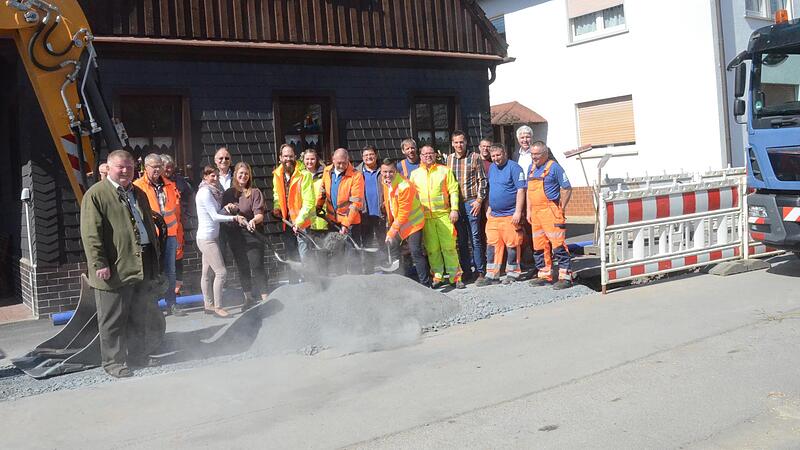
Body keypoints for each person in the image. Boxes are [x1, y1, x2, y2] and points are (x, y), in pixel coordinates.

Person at [80, 149, 161, 378]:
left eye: (129, 167)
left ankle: (138, 356)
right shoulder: (96, 195)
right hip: (114, 265)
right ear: (109, 167)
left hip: (141, 260)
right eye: (120, 167)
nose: (125, 171)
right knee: (112, 317)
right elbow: (90, 234)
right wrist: (99, 263)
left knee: (139, 313)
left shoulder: (138, 193)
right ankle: (113, 363)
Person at [133, 154, 185, 317]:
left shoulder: (170, 185)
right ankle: (154, 307)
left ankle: (172, 303)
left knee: (170, 271)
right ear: (146, 167)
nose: (157, 169)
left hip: (169, 234)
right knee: (152, 271)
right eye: (153, 166)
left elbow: (175, 212)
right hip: (150, 236)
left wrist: (177, 235)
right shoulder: (137, 186)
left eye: (159, 166)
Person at [409, 145, 464, 289]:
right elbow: (411, 196)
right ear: (420, 156)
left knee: (449, 247)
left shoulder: (444, 171)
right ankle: (437, 276)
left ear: (435, 155)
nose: (428, 156)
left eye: (430, 153)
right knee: (432, 249)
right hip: (425, 218)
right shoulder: (414, 174)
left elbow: (453, 190)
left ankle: (455, 277)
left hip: (443, 215)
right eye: (424, 153)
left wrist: (454, 209)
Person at [195, 165, 245, 318]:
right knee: (221, 272)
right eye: (212, 176)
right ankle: (218, 307)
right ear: (205, 177)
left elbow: (216, 213)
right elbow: (214, 217)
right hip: (207, 239)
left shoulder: (212, 192)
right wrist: (234, 217)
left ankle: (208, 305)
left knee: (207, 273)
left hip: (210, 236)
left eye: (216, 176)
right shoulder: (204, 193)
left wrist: (227, 209)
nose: (215, 179)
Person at [477, 143, 527, 286]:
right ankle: (492, 274)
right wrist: (489, 207)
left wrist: (518, 212)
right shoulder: (492, 168)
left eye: (498, 155)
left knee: (512, 244)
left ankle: (512, 273)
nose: (496, 158)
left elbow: (521, 190)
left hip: (510, 214)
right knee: (492, 245)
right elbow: (492, 189)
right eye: (493, 156)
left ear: (504, 153)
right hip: (494, 215)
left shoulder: (514, 168)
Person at [222, 162, 269, 309]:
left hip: (252, 233)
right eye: (240, 173)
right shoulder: (229, 193)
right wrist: (227, 208)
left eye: (246, 174)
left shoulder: (255, 192)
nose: (243, 176)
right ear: (235, 174)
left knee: (256, 265)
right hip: (235, 236)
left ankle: (266, 298)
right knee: (242, 267)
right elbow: (221, 214)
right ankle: (248, 299)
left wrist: (254, 220)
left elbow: (260, 214)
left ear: (249, 176)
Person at [527, 141, 574, 289]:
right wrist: (529, 210)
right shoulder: (531, 168)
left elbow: (567, 188)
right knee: (539, 245)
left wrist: (561, 208)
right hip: (536, 213)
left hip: (551, 211)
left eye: (537, 155)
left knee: (558, 245)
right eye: (532, 154)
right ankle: (544, 273)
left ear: (545, 154)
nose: (534, 158)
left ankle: (565, 277)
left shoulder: (554, 167)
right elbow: (529, 191)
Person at [446, 131, 487, 283]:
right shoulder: (449, 159)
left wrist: (479, 200)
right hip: (456, 205)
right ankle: (466, 272)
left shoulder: (474, 157)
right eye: (456, 142)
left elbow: (482, 180)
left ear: (466, 142)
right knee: (461, 240)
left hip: (471, 202)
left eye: (461, 142)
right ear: (452, 143)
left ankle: (480, 271)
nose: (459, 145)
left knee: (475, 238)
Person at [380, 159, 430, 287]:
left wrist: (391, 231)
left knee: (415, 251)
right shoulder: (386, 183)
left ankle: (425, 284)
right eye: (385, 172)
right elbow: (390, 202)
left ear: (396, 171)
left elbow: (403, 212)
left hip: (413, 223)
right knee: (393, 246)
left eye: (391, 171)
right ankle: (399, 280)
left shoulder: (404, 186)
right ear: (381, 172)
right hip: (400, 223)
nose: (387, 174)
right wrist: (390, 222)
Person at [317, 148, 364, 274]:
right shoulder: (327, 171)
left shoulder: (356, 176)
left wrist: (345, 224)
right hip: (333, 221)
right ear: (333, 160)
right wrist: (318, 206)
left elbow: (355, 204)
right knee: (336, 253)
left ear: (348, 160)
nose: (341, 165)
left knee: (351, 254)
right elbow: (322, 190)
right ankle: (339, 280)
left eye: (344, 162)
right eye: (338, 163)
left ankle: (356, 280)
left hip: (350, 222)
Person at [272, 143, 315, 277]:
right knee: (292, 256)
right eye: (285, 156)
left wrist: (299, 221)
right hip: (287, 224)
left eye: (291, 156)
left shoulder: (304, 175)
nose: (288, 159)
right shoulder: (277, 175)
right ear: (280, 158)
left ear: (295, 157)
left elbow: (309, 202)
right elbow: (276, 194)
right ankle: (294, 286)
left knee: (304, 256)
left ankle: (310, 284)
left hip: (302, 224)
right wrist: (277, 207)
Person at [161, 154, 193, 296]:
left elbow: (189, 198)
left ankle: (176, 291)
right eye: (165, 167)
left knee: (177, 260)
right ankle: (163, 292)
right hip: (159, 231)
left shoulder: (179, 182)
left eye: (170, 166)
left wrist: (185, 213)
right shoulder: (154, 184)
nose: (168, 169)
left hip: (176, 228)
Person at [355, 145, 386, 273]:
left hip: (381, 213)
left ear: (376, 155)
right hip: (365, 214)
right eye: (366, 155)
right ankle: (369, 271)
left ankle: (386, 269)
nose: (369, 157)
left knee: (383, 243)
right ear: (362, 157)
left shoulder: (383, 170)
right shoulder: (357, 173)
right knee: (367, 244)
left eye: (371, 154)